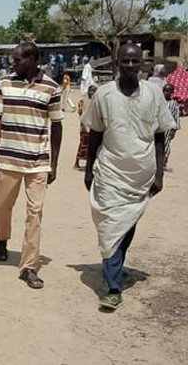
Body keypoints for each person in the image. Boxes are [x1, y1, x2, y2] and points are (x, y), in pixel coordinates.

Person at [82, 44, 176, 311]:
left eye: (135, 62)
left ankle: (114, 266)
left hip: (141, 175)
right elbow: (95, 135)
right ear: (117, 62)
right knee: (110, 226)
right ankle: (113, 287)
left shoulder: (154, 94)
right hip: (110, 172)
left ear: (142, 64)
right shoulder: (104, 94)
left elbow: (160, 137)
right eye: (126, 61)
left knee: (128, 223)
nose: (131, 66)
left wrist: (159, 173)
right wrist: (89, 170)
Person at [0, 42, 63, 289]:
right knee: (1, 205)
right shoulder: (6, 83)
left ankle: (28, 266)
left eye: (18, 60)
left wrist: (54, 162)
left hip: (38, 162)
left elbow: (57, 125)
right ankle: (2, 239)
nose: (13, 64)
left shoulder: (51, 87)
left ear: (32, 59)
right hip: (8, 158)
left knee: (35, 213)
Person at [74, 85, 97, 169]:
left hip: (93, 126)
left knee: (92, 146)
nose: (92, 93)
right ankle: (77, 162)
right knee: (83, 144)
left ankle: (89, 164)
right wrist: (83, 125)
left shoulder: (96, 101)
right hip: (84, 126)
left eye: (94, 91)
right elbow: (81, 114)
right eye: (91, 91)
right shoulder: (83, 101)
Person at [163, 83, 181, 171]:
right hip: (158, 127)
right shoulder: (159, 101)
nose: (165, 92)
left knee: (166, 146)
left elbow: (176, 116)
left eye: (167, 91)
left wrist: (174, 129)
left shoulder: (174, 104)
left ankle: (164, 163)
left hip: (168, 128)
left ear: (172, 92)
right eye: (164, 90)